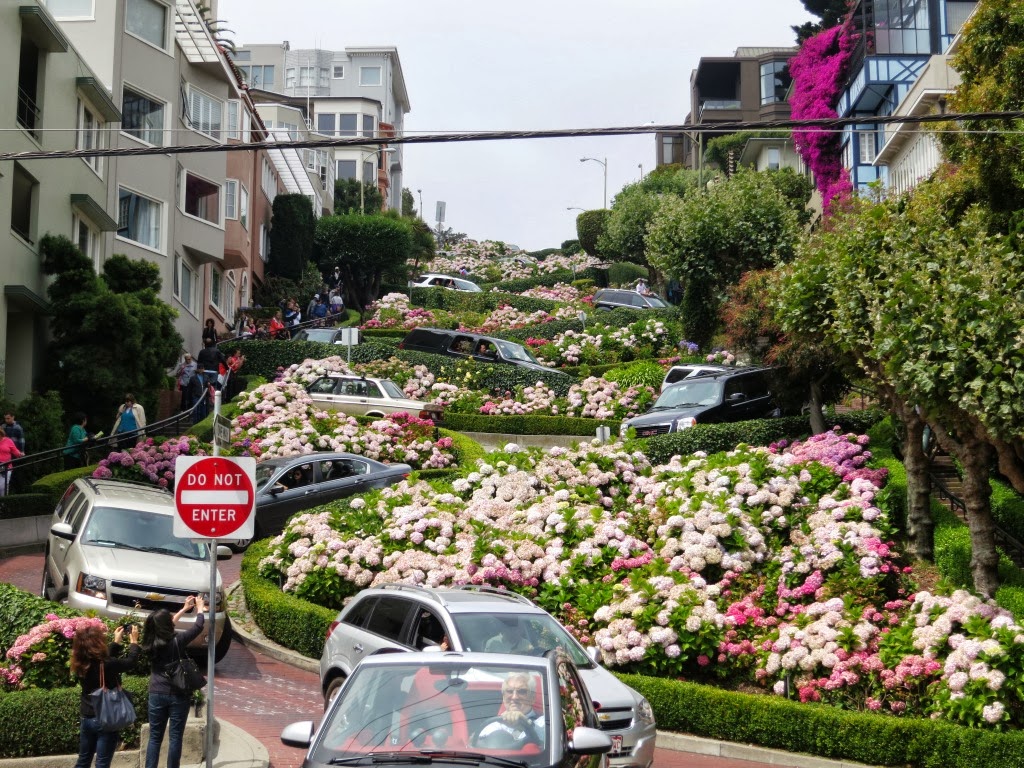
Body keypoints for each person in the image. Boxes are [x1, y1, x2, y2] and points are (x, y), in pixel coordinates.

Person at [142, 595, 209, 768]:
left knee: (155, 737)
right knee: (175, 737)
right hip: (178, 695)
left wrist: (184, 609)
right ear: (167, 625)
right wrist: (200, 609)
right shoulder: (177, 641)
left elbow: (167, 624)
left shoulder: (148, 644)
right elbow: (198, 626)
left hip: (156, 693)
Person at [71, 622, 141, 768]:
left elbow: (103, 661)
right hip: (105, 718)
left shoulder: (79, 663)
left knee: (83, 760)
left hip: (87, 716)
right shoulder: (108, 664)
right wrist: (134, 643)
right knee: (102, 763)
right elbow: (130, 662)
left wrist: (115, 643)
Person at [471, 672, 544, 749]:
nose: (514, 697)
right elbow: (472, 744)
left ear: (532, 698)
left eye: (521, 691)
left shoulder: (544, 722)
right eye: (509, 691)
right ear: (503, 697)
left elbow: (550, 745)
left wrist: (525, 725)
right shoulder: (494, 724)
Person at [0, 426, 24, 496]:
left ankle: (3, 505)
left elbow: (15, 451)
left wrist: (20, 454)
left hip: (6, 467)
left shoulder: (8, 441)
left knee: (3, 487)